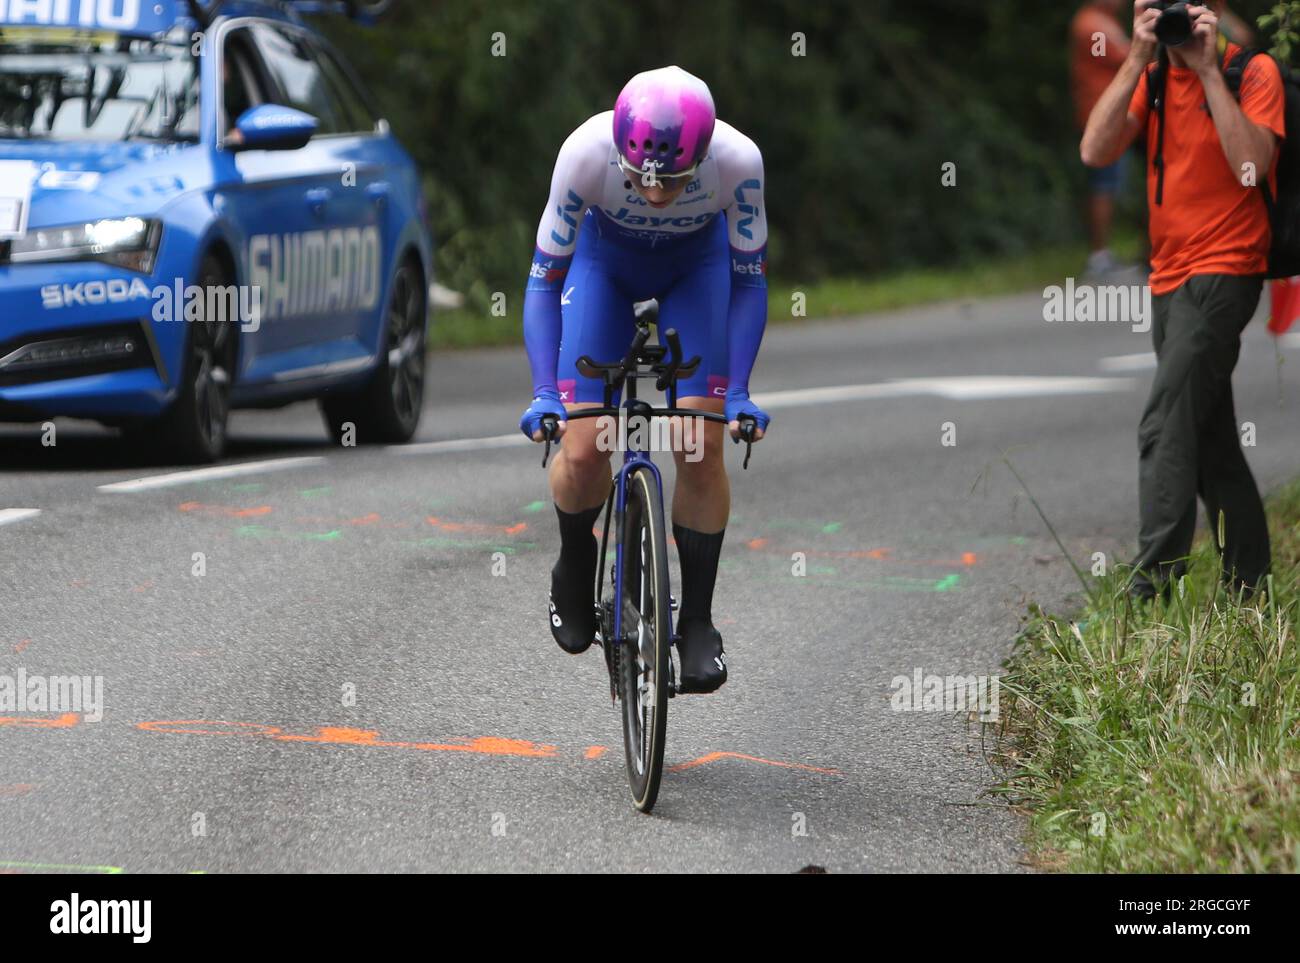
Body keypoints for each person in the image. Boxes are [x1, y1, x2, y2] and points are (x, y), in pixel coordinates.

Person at [518, 66, 770, 693]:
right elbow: (544, 283)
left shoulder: (739, 163)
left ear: (704, 155)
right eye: (642, 181)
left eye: (675, 181)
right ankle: (574, 569)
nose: (656, 193)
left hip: (696, 273)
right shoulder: (585, 154)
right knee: (583, 446)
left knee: (699, 443)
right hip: (605, 270)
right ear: (622, 156)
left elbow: (748, 282)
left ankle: (700, 622)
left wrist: (736, 391)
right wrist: (545, 391)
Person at [1080, 1, 1284, 600]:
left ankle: (1150, 588)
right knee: (1211, 437)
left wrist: (1209, 73)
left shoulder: (1252, 71)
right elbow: (1095, 151)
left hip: (1227, 269)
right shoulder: (1152, 75)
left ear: (1211, 9)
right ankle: (1250, 587)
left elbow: (1251, 167)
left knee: (1164, 421)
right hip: (1168, 277)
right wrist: (1140, 53)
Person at [1070, 0, 1133, 277]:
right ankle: (1098, 257)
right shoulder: (1091, 24)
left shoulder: (1104, 22)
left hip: (1116, 117)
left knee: (1110, 183)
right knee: (1104, 185)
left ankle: (1107, 253)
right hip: (1100, 119)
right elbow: (1128, 56)